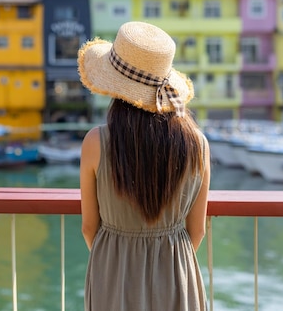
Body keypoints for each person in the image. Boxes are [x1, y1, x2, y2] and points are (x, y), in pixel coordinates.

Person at [77, 21, 211, 311]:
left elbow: (89, 228)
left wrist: (118, 261)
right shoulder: (197, 144)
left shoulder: (95, 143)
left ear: (116, 87)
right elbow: (197, 231)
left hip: (111, 274)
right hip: (177, 274)